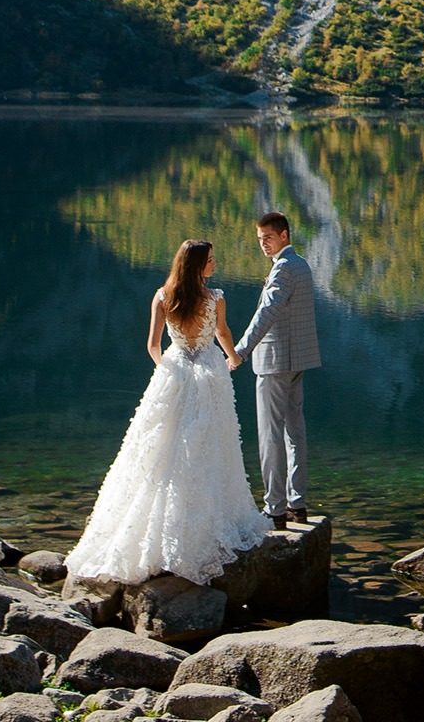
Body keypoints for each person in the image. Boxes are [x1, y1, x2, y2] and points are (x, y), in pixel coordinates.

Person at [65, 239, 266, 586]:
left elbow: (153, 345)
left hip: (173, 373)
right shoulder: (215, 298)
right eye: (210, 260)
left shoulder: (162, 296)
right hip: (207, 373)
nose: (214, 264)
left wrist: (169, 371)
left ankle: (149, 536)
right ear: (197, 265)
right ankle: (200, 527)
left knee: (157, 449)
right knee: (208, 446)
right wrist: (233, 358)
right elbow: (222, 333)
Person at [234, 209, 321, 528]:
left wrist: (240, 350)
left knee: (270, 434)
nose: (263, 245)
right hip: (298, 359)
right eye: (260, 240)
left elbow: (267, 313)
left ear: (284, 235)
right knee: (294, 431)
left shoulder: (283, 268)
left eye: (268, 238)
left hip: (274, 362)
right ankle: (297, 503)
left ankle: (274, 507)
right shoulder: (301, 265)